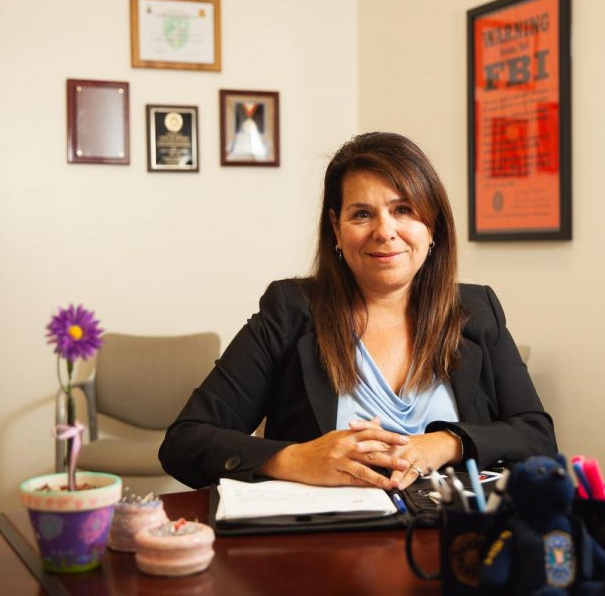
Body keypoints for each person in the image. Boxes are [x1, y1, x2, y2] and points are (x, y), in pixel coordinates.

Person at [159, 132, 556, 491]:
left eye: (404, 210)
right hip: (330, 546)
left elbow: (536, 436)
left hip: (454, 541)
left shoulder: (477, 310)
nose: (384, 231)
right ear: (336, 228)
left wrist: (446, 443)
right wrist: (296, 458)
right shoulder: (290, 311)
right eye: (362, 214)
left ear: (431, 224)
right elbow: (185, 442)